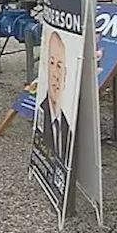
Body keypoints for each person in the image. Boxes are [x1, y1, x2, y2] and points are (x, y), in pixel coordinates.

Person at [34, 31, 72, 164]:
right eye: (51, 64)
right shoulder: (41, 114)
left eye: (59, 66)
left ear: (65, 74)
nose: (55, 74)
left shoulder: (69, 128)